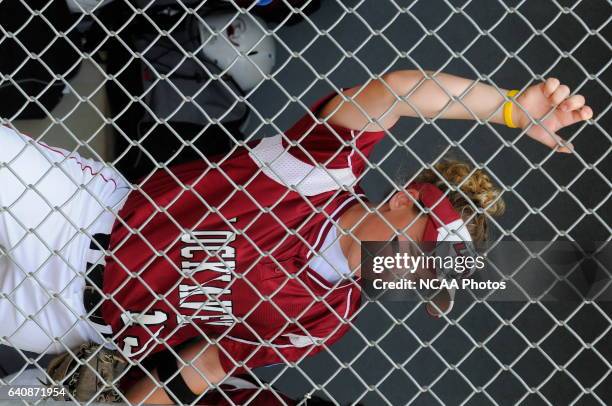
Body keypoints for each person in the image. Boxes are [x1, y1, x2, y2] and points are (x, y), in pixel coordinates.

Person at [0, 71, 592, 404]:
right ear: (403, 199)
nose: (409, 272)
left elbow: (200, 367)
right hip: (74, 214)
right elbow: (397, 94)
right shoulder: (319, 171)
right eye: (421, 249)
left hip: (63, 318)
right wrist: (511, 109)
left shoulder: (325, 318)